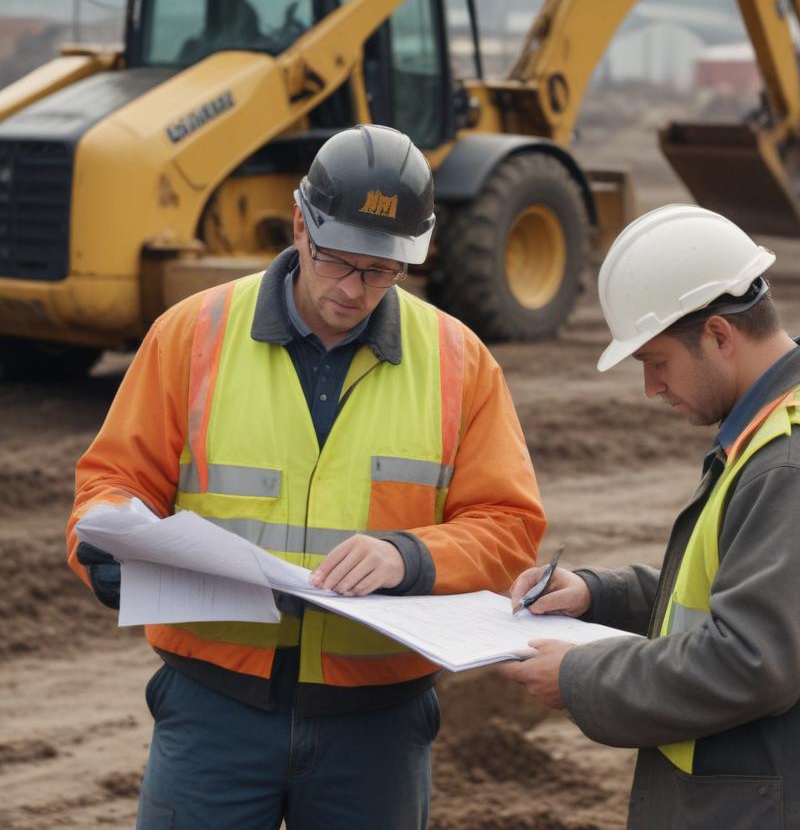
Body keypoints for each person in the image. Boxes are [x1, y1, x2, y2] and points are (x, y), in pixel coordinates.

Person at [67, 124, 547, 830]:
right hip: (213, 712)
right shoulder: (190, 334)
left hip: (377, 723)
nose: (355, 291)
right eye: (338, 263)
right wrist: (106, 557)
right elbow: (111, 483)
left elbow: (509, 529)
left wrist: (410, 555)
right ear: (300, 226)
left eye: (381, 272)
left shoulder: (459, 361)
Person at [500, 204, 800, 829]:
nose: (651, 387)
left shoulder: (796, 462)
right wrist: (598, 596)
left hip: (796, 808)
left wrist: (582, 678)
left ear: (719, 337)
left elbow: (752, 659)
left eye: (655, 362)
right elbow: (747, 596)